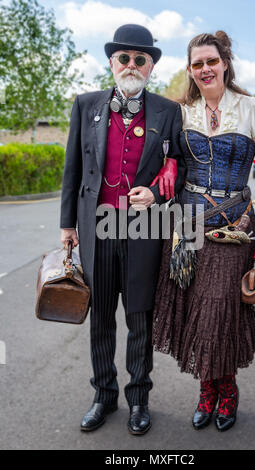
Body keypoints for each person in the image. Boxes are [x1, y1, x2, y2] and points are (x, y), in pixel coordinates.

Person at [152, 31, 255, 432]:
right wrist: (169, 164)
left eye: (211, 61)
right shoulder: (181, 112)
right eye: (196, 64)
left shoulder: (251, 108)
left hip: (235, 224)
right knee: (195, 310)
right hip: (188, 226)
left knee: (219, 311)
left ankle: (228, 390)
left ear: (224, 61)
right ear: (189, 70)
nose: (204, 69)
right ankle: (208, 390)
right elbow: (168, 155)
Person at [60, 24, 183, 435]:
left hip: (143, 229)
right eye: (124, 58)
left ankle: (139, 399)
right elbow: (72, 170)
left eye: (140, 59)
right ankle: (103, 395)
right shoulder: (86, 104)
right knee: (100, 321)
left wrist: (159, 196)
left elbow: (180, 170)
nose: (131, 65)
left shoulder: (168, 112)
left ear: (151, 66)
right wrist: (66, 226)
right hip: (96, 227)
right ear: (112, 62)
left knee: (139, 318)